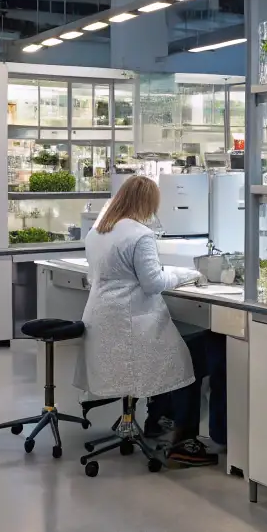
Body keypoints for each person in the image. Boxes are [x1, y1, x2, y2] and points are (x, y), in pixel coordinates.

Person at [75, 175, 219, 467]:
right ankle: (183, 440)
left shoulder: (98, 231)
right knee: (188, 360)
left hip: (101, 319)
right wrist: (188, 274)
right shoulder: (140, 234)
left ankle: (156, 420)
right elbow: (153, 283)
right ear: (147, 203)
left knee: (174, 355)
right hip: (132, 323)